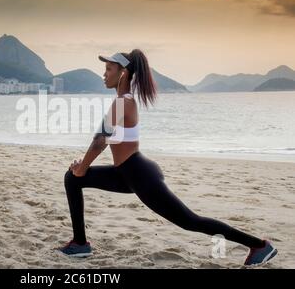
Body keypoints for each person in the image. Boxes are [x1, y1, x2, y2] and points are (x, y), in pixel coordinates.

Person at [58, 49, 277, 266]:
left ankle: (259, 245)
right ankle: (80, 244)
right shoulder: (123, 101)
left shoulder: (123, 103)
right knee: (73, 178)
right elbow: (103, 140)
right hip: (125, 172)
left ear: (123, 73)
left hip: (139, 174)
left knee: (190, 221)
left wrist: (83, 166)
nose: (104, 74)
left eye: (108, 69)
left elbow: (100, 140)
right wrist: (80, 169)